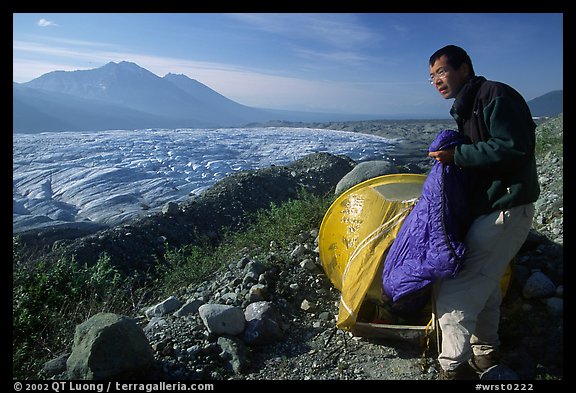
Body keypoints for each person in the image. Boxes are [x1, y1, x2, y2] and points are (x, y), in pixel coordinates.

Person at [427, 45, 540, 380]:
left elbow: (513, 146)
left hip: (505, 208)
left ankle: (453, 367)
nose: (437, 81)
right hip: (493, 209)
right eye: (432, 77)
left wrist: (457, 157)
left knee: (456, 288)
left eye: (442, 72)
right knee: (487, 283)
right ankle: (486, 355)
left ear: (464, 69)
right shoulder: (468, 108)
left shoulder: (495, 95)